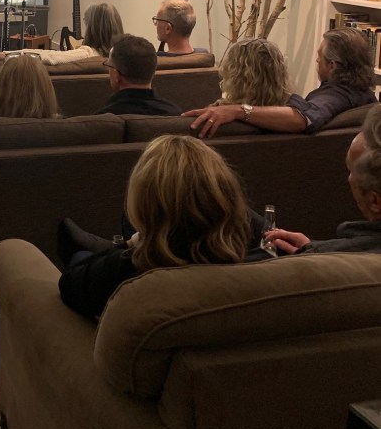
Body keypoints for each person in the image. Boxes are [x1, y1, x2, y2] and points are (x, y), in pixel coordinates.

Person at [57, 135, 254, 319]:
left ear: (144, 204)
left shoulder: (129, 272)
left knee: (79, 256)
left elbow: (68, 283)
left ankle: (114, 244)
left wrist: (133, 243)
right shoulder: (251, 270)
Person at [184, 29, 377, 138]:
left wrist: (239, 110)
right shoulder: (366, 97)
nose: (317, 61)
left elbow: (306, 118)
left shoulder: (335, 96)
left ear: (332, 66)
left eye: (319, 57)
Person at [264, 107, 381, 256]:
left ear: (374, 201)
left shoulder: (337, 259)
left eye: (351, 170)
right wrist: (313, 247)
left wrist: (313, 253)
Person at [0, 2, 124, 75]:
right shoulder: (123, 56)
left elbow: (49, 56)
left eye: (85, 22)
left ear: (91, 27)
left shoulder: (87, 54)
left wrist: (3, 54)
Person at [97, 34, 181, 116]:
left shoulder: (101, 119)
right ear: (152, 72)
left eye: (109, 66)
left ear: (116, 75)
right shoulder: (175, 114)